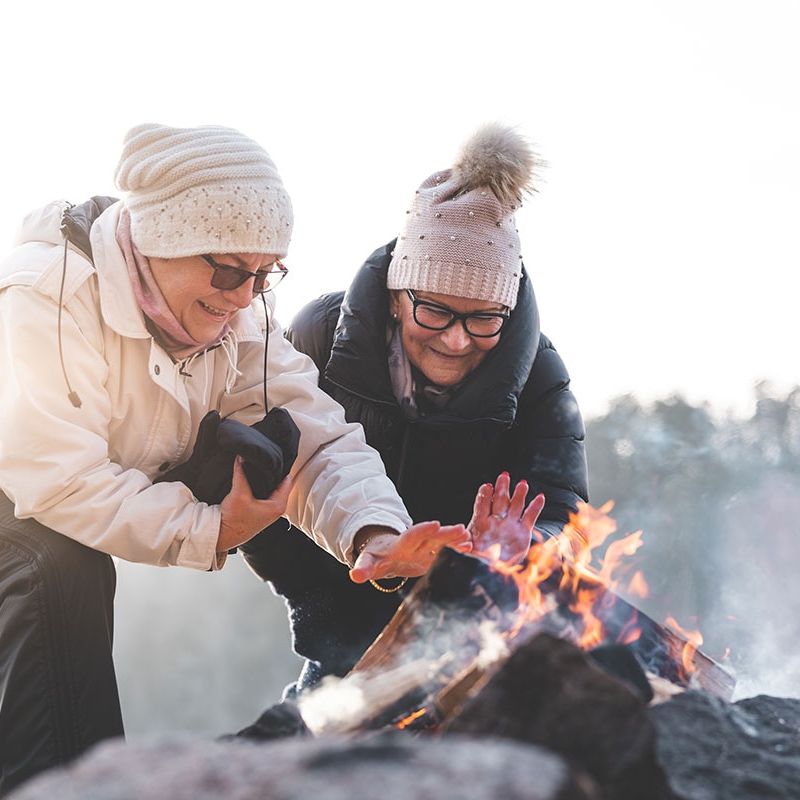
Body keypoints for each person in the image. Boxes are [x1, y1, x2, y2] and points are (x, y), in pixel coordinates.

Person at [0, 123, 476, 799]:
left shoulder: (236, 324)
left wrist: (376, 533)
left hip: (8, 509)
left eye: (266, 273)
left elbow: (317, 437)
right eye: (228, 269)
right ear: (162, 240)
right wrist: (209, 530)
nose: (244, 295)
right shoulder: (41, 296)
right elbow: (57, 478)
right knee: (51, 570)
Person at [240, 123, 589, 693]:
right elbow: (267, 480)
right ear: (398, 297)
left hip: (475, 631)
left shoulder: (538, 371)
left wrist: (530, 546)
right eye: (435, 311)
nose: (457, 340)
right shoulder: (321, 337)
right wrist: (330, 603)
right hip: (342, 615)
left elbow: (566, 512)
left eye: (483, 318)